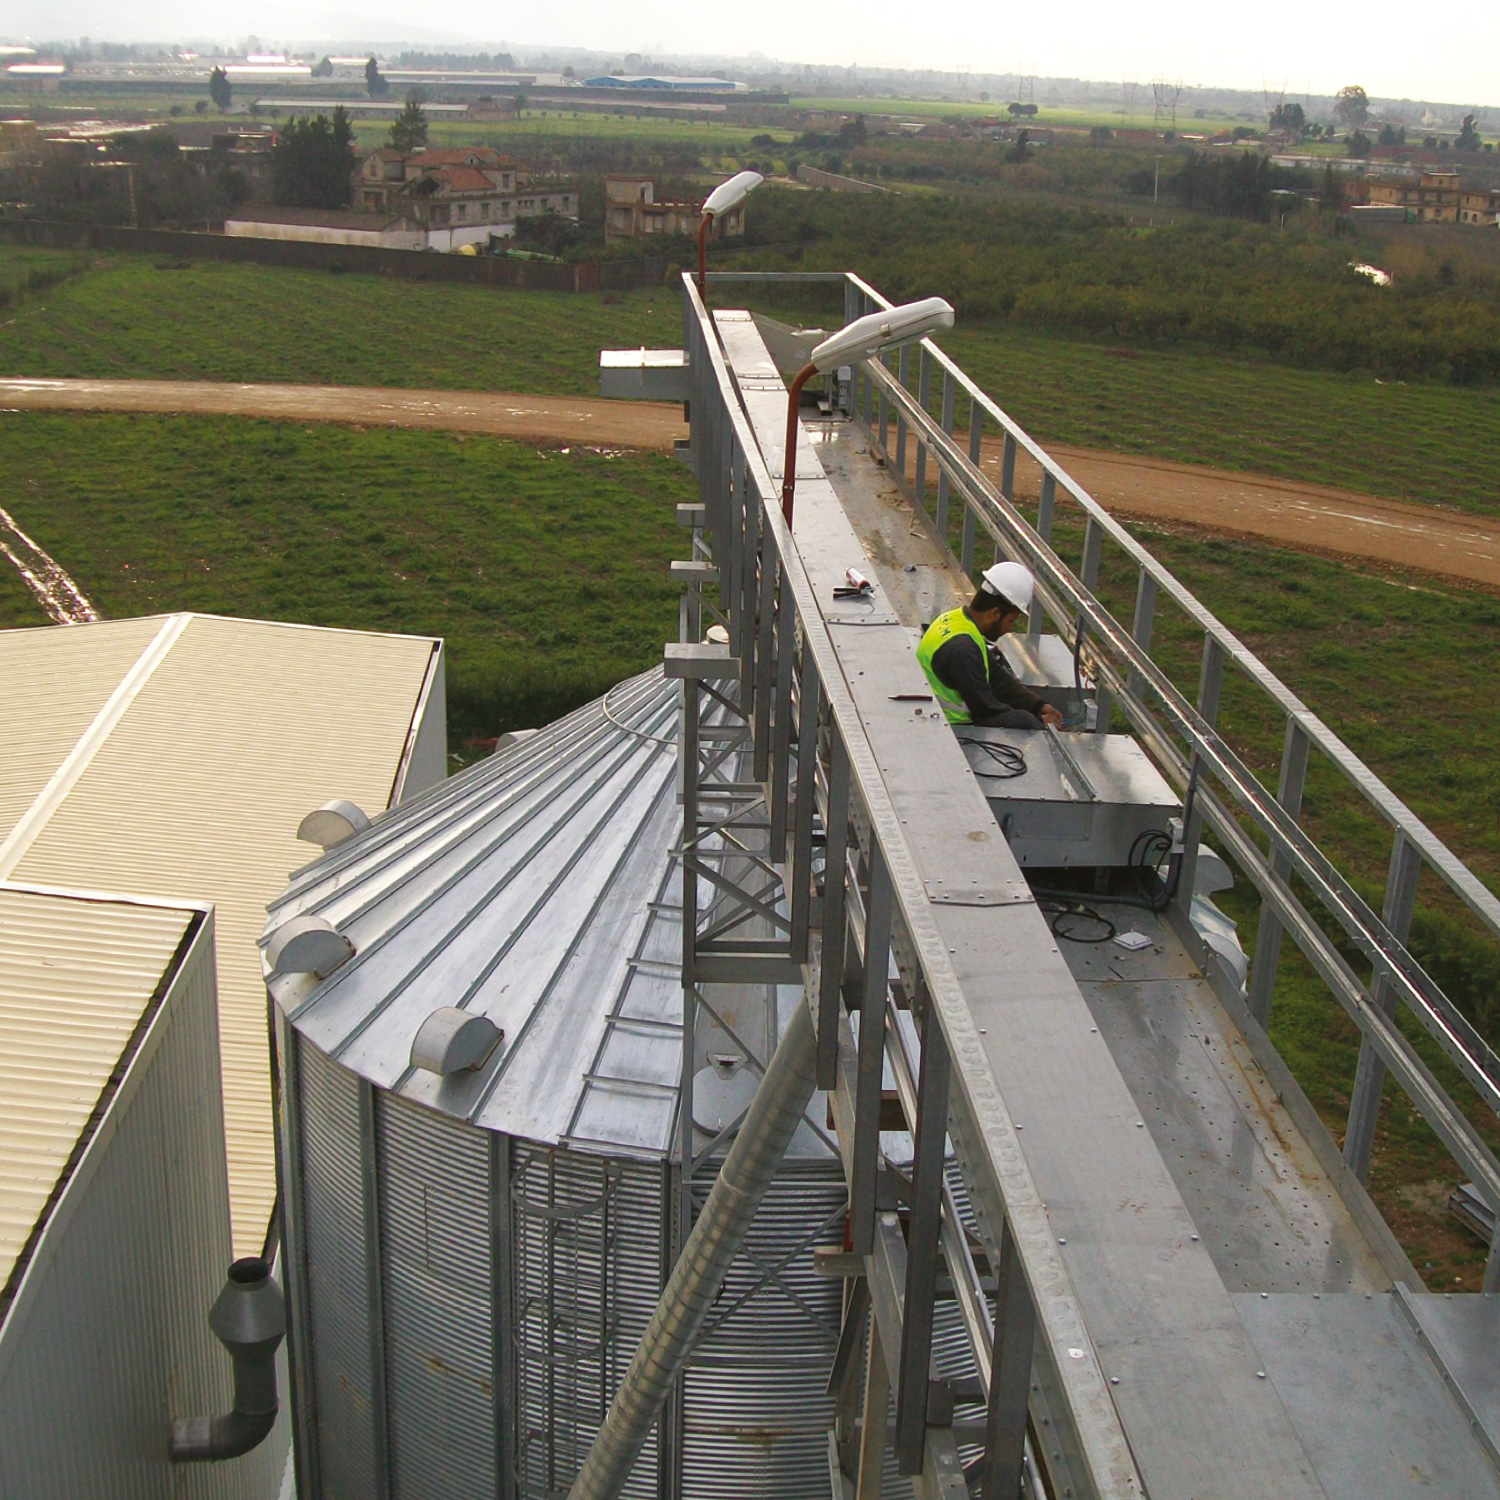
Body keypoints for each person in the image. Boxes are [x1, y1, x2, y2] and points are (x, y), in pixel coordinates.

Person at [915, 561, 1063, 730]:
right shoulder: (963, 650)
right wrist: (1037, 722)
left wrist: (1037, 706)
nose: (1010, 628)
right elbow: (987, 711)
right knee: (1022, 724)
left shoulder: (957, 621)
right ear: (994, 614)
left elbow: (996, 677)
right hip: (948, 729)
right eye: (1010, 621)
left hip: (936, 719)